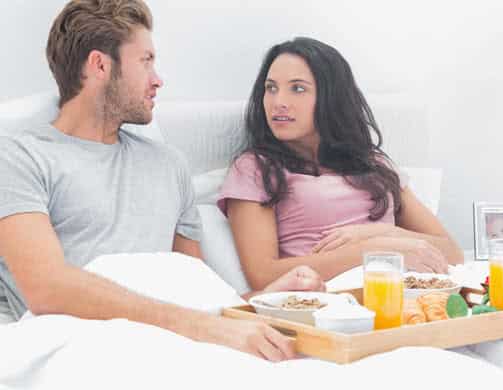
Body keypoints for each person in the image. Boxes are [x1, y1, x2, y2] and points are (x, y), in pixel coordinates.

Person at [0, 0, 325, 362]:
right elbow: (46, 289)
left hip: (169, 344)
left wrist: (268, 300)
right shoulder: (19, 158)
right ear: (100, 65)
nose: (158, 79)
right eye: (146, 61)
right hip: (79, 349)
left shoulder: (168, 164)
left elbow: (196, 300)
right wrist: (204, 328)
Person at [218, 37, 464, 291]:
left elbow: (452, 252)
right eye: (271, 88)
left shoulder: (373, 164)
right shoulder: (256, 168)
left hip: (409, 298)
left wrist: (379, 236)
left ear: (331, 97)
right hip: (328, 306)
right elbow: (263, 276)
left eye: (297, 88)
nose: (278, 101)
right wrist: (373, 251)